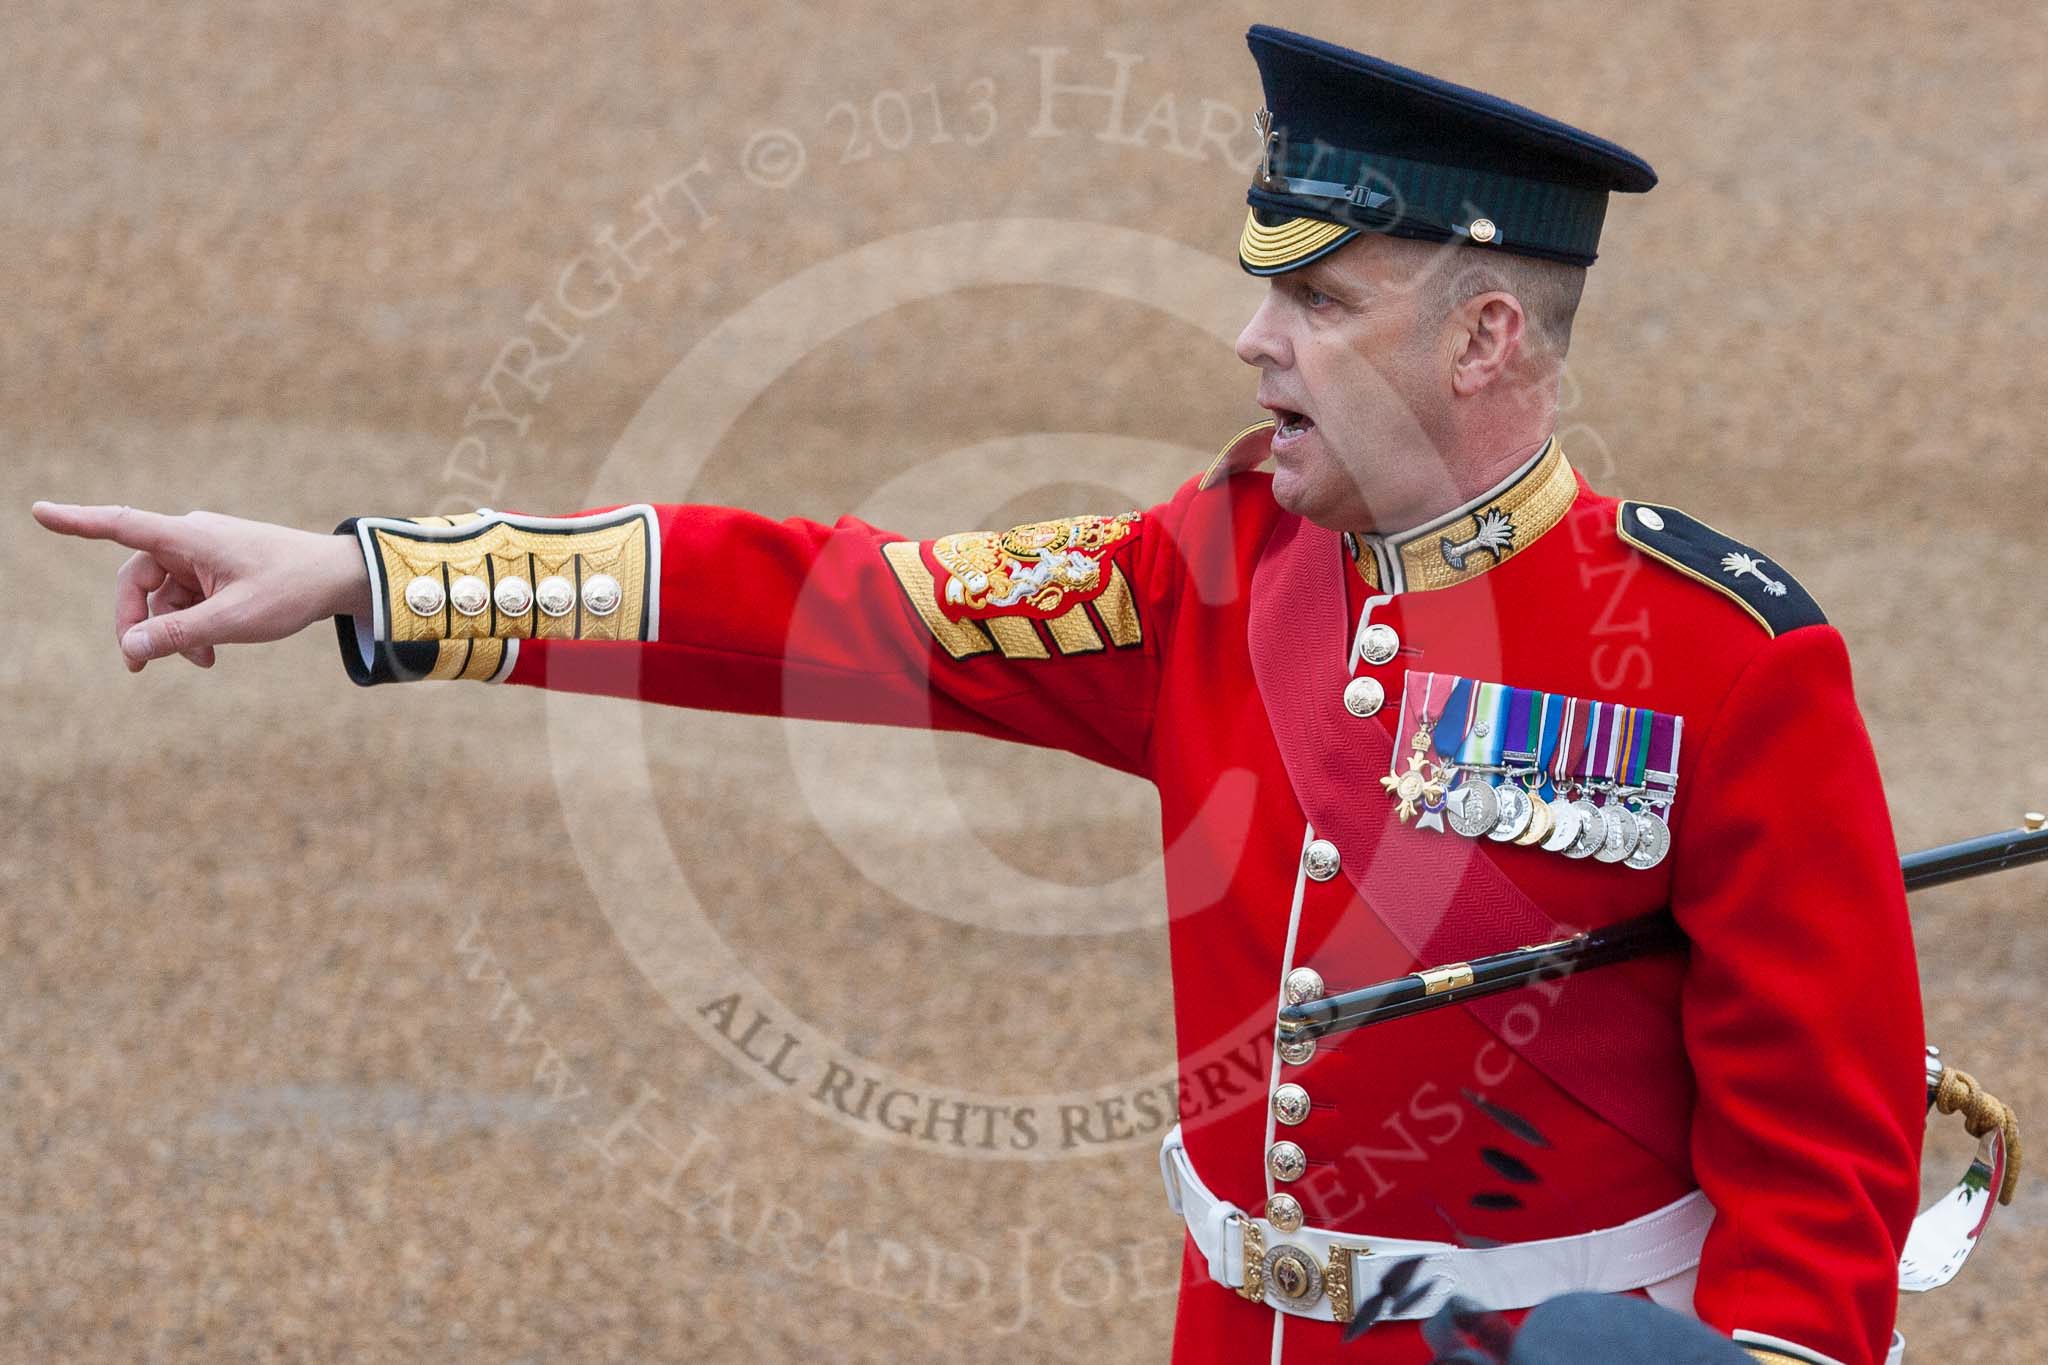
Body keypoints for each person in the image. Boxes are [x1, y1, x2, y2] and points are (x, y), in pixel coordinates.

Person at [32, 24, 1923, 1365]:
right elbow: (827, 602)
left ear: (1488, 333)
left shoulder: (1719, 665)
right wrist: (374, 574)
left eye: (1322, 300)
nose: (1256, 338)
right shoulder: (1220, 569)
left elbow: (1827, 1185)